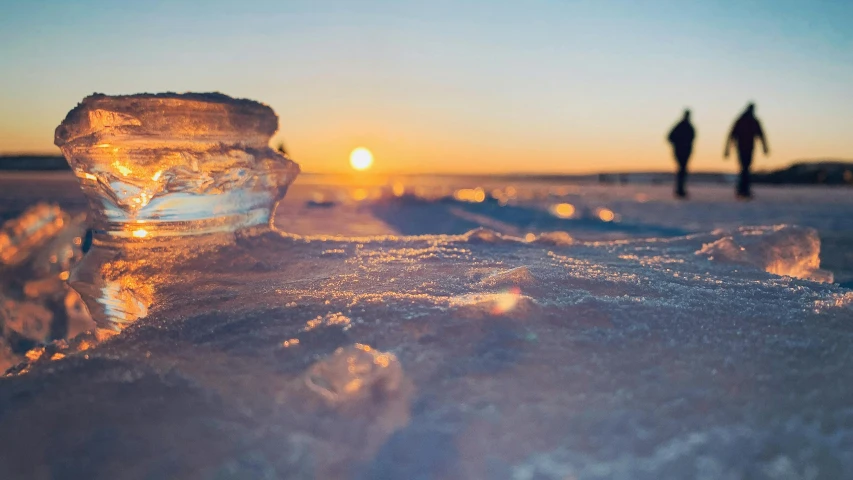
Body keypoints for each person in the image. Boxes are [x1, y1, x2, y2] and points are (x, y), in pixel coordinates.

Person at [724, 103, 769, 199]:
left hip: (746, 148)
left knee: (745, 169)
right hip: (744, 147)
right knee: (745, 169)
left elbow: (761, 135)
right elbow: (732, 135)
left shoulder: (745, 121)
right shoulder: (748, 121)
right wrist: (765, 147)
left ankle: (743, 189)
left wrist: (727, 149)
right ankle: (743, 189)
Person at [667, 109, 695, 198]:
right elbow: (670, 137)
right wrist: (678, 144)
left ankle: (680, 189)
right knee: (681, 170)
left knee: (682, 170)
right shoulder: (681, 126)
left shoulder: (689, 127)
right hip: (680, 151)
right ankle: (680, 190)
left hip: (685, 152)